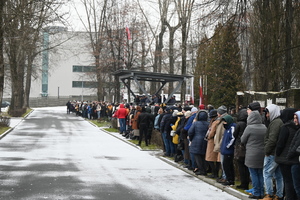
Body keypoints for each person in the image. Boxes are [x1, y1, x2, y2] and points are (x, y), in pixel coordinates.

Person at [260, 104, 284, 200]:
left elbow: (272, 139)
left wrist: (267, 151)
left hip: (271, 153)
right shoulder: (278, 122)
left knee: (267, 173)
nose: (267, 115)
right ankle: (279, 195)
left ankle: (269, 194)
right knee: (278, 175)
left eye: (268, 113)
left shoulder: (275, 123)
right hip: (277, 153)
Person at [241, 110, 267, 199]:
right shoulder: (264, 127)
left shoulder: (249, 128)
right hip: (262, 153)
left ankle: (256, 192)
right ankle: (262, 192)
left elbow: (242, 140)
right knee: (260, 173)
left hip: (251, 153)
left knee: (253, 173)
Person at [275, 108, 298, 200]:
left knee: (287, 180)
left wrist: (277, 153)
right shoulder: (296, 127)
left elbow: (280, 143)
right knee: (294, 181)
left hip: (284, 157)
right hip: (295, 157)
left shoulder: (286, 127)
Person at [188, 110, 209, 176]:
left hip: (196, 140)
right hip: (205, 141)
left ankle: (201, 170)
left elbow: (190, 132)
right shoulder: (208, 124)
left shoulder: (195, 123)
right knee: (204, 156)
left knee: (197, 156)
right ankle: (205, 169)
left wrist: (191, 139)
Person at [233, 108, 249, 190]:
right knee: (246, 166)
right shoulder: (248, 123)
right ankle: (246, 182)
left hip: (239, 145)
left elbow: (234, 134)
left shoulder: (239, 124)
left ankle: (243, 183)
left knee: (240, 165)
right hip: (247, 146)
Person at [287, 111, 300, 200]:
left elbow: (296, 145)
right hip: (295, 160)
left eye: (296, 118)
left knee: (297, 186)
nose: (295, 120)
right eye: (294, 118)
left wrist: (290, 154)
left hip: (296, 161)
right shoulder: (298, 130)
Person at [220, 115, 236, 186]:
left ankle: (230, 180)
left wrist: (228, 146)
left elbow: (232, 138)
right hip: (225, 149)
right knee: (226, 165)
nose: (224, 123)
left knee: (227, 165)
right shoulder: (226, 129)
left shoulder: (232, 128)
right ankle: (229, 179)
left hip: (228, 150)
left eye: (225, 121)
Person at [214, 105, 228, 183]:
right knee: (222, 162)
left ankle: (225, 176)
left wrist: (220, 144)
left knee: (223, 162)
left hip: (222, 144)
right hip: (220, 143)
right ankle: (223, 176)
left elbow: (223, 134)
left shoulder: (223, 121)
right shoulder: (220, 120)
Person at [205, 109, 220, 178]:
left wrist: (208, 136)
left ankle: (214, 173)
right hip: (216, 141)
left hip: (212, 141)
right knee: (216, 158)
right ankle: (215, 172)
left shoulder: (214, 122)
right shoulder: (218, 121)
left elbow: (211, 132)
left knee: (210, 157)